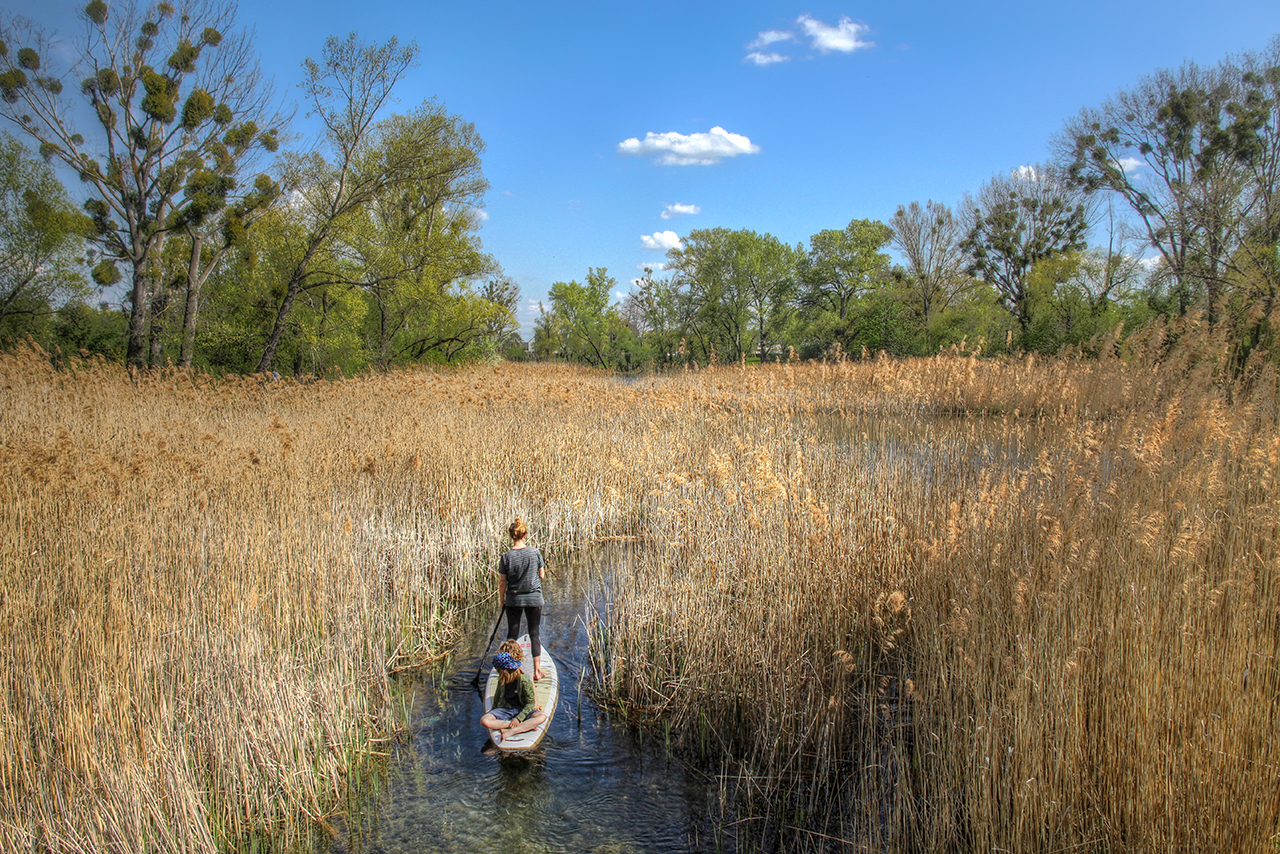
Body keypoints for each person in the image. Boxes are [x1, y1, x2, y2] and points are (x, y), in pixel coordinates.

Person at [499, 517, 548, 680]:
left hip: (514, 599)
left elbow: (502, 582)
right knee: (534, 633)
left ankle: (511, 671)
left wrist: (501, 601)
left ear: (511, 536)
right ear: (525, 535)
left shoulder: (506, 556)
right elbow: (542, 574)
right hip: (534, 598)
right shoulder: (535, 552)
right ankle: (537, 671)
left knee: (512, 635)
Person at [480, 641, 545, 738]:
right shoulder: (502, 679)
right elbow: (498, 696)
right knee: (484, 720)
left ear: (506, 671)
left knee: (541, 717)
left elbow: (530, 703)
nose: (500, 675)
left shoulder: (523, 681)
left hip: (521, 709)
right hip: (506, 709)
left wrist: (518, 718)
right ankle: (520, 725)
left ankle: (512, 731)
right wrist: (493, 712)